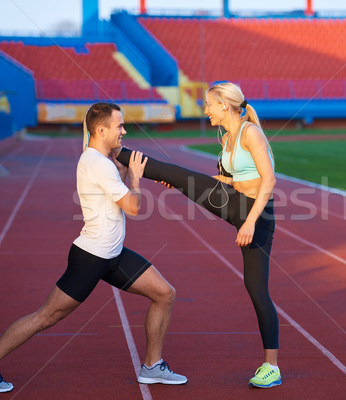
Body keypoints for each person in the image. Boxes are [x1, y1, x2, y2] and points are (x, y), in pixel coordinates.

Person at [0, 102, 187, 393]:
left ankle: (152, 366)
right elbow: (133, 206)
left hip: (113, 255)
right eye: (119, 126)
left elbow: (115, 190)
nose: (124, 130)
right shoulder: (96, 163)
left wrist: (129, 173)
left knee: (164, 293)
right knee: (46, 316)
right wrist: (134, 178)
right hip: (91, 258)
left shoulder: (102, 162)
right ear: (101, 129)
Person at [115, 82, 281, 388]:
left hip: (257, 215)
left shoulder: (250, 132)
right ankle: (118, 152)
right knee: (178, 175)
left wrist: (250, 224)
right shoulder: (228, 136)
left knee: (256, 289)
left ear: (223, 105)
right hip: (233, 201)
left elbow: (268, 182)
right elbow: (233, 179)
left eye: (207, 104)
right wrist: (183, 184)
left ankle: (271, 366)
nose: (204, 110)